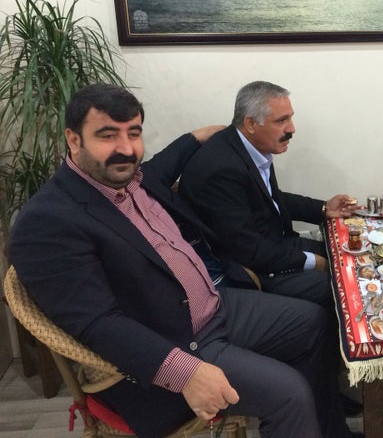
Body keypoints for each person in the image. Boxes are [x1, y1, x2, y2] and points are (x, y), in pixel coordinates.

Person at [8, 84, 355, 438]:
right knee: (290, 393)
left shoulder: (135, 179)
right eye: (108, 135)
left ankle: (329, 431)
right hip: (173, 343)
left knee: (314, 321)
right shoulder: (49, 220)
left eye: (134, 133)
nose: (126, 148)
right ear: (74, 140)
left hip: (214, 307)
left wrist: (196, 136)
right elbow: (96, 324)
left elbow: (167, 160)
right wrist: (185, 373)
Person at [179, 80, 358, 306]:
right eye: (282, 121)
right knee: (347, 287)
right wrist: (315, 262)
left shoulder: (250, 146)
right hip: (252, 270)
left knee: (353, 256)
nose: (292, 129)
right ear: (251, 123)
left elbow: (270, 198)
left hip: (275, 247)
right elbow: (248, 251)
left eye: (290, 118)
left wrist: (323, 208)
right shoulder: (221, 169)